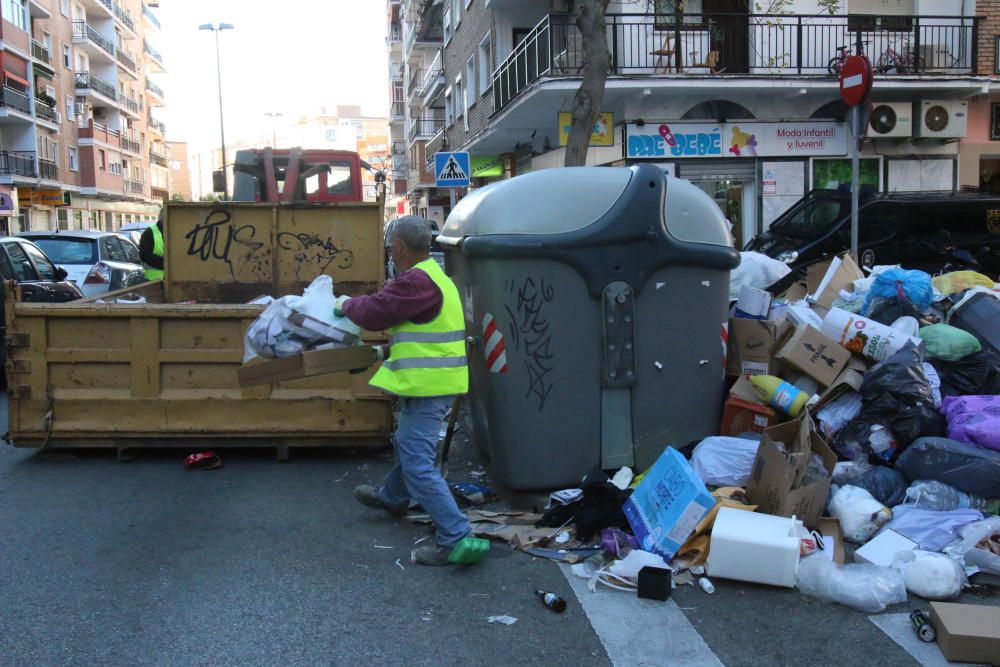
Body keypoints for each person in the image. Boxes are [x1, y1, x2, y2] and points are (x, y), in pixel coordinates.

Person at [339, 216, 476, 566]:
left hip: (430, 385)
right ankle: (392, 497)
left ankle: (456, 536)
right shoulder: (432, 277)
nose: (389, 250)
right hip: (430, 382)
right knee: (409, 445)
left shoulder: (415, 281)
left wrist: (343, 305)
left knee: (416, 459)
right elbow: (420, 331)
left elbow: (374, 312)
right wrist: (384, 351)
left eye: (390, 245)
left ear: (399, 246)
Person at [139, 214, 164, 281]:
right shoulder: (149, 232)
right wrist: (165, 263)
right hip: (153, 281)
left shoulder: (173, 231)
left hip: (173, 281)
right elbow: (144, 255)